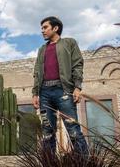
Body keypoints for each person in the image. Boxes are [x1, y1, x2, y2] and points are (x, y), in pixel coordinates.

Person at [32, 16, 88, 154]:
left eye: (45, 27)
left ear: (55, 28)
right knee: (47, 132)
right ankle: (49, 163)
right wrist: (35, 93)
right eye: (42, 28)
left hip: (63, 91)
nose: (42, 31)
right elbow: (37, 72)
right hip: (44, 93)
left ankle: (83, 162)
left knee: (73, 129)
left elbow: (77, 65)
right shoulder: (42, 49)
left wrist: (77, 87)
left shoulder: (69, 43)